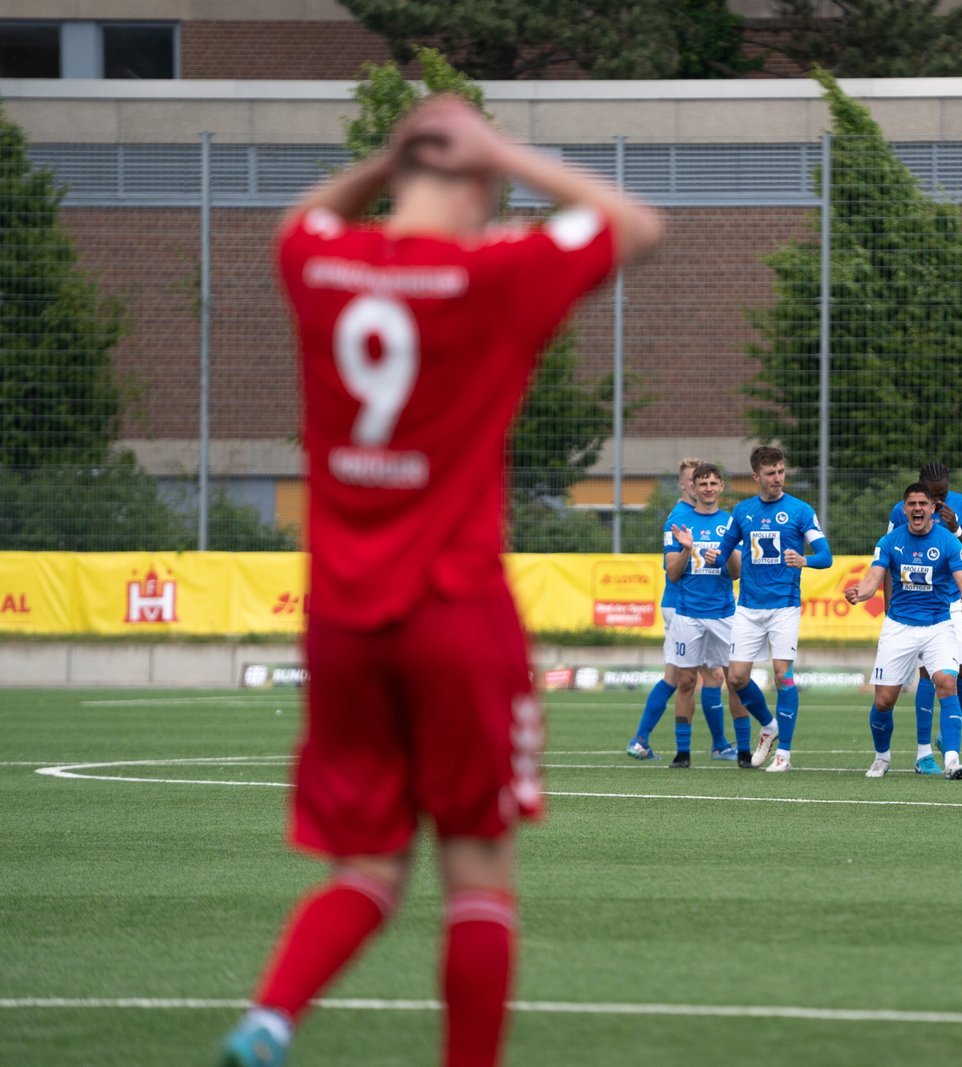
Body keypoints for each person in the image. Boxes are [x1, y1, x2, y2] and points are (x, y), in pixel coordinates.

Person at [216, 95, 661, 1067]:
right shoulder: (491, 274)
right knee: (478, 869)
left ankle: (271, 1015)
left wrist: (386, 160)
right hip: (454, 609)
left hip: (342, 620)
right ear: (480, 183)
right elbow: (635, 223)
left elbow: (298, 221)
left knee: (367, 865)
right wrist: (503, 148)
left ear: (400, 176)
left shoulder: (323, 265)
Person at [703, 445, 832, 773]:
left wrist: (805, 560)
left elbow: (825, 555)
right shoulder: (742, 511)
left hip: (784, 606)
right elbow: (725, 553)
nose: (778, 478)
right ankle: (769, 726)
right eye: (771, 473)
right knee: (736, 677)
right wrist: (714, 557)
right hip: (748, 607)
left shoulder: (800, 511)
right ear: (756, 476)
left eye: (781, 472)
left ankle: (784, 754)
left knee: (783, 675)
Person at [847, 482, 962, 779]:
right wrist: (860, 593)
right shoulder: (890, 541)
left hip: (938, 626)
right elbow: (873, 579)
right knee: (884, 701)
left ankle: (952, 760)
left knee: (946, 682)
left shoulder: (948, 542)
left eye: (923, 504)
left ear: (933, 508)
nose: (917, 508)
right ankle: (882, 757)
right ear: (904, 509)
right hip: (899, 627)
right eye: (912, 504)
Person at [626, 457, 734, 762]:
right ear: (685, 485)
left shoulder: (702, 514)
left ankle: (643, 739)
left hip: (692, 605)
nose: (700, 486)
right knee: (699, 676)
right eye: (692, 480)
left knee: (683, 676)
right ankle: (717, 744)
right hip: (683, 605)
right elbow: (674, 567)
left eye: (707, 481)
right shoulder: (682, 517)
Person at [885, 461, 962, 774]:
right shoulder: (902, 511)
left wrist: (956, 529)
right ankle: (923, 754)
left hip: (953, 602)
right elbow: (887, 560)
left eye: (943, 495)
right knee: (928, 674)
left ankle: (949, 730)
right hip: (920, 605)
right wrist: (889, 608)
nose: (938, 502)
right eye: (934, 496)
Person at [663, 462, 747, 768]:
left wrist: (725, 555)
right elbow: (673, 574)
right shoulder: (678, 522)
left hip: (724, 614)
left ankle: (744, 751)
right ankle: (682, 753)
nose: (708, 489)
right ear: (693, 488)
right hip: (688, 614)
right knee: (686, 681)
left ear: (721, 486)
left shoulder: (732, 522)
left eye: (714, 483)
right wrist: (687, 549)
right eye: (703, 484)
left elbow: (736, 573)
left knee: (734, 681)